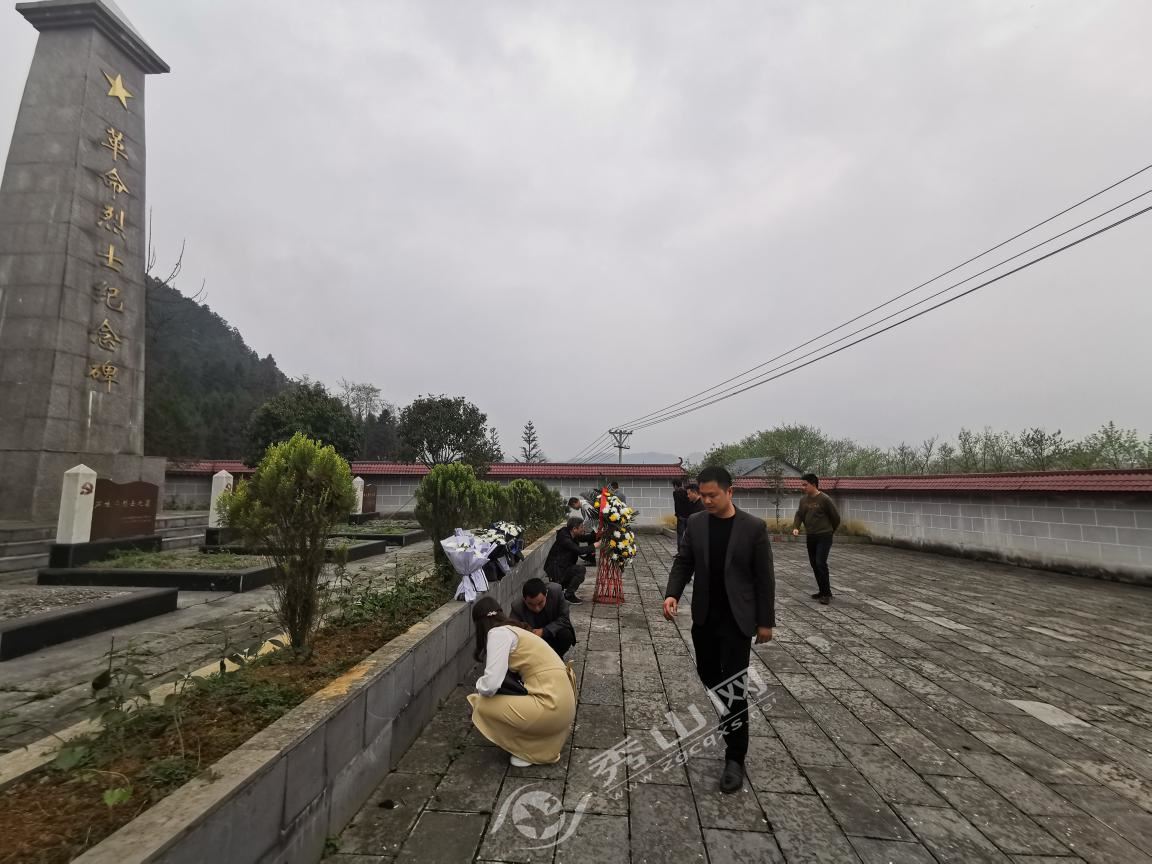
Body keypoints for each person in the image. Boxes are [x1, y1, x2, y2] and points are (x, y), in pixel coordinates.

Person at [663, 465, 775, 794]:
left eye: (713, 495)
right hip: (705, 617)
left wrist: (765, 621)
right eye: (704, 495)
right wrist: (672, 593)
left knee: (734, 686)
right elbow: (684, 561)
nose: (707, 501)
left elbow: (764, 577)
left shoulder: (753, 528)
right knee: (709, 674)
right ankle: (732, 717)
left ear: (730, 492)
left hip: (738, 620)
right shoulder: (697, 523)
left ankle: (735, 757)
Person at [467, 596, 577, 766]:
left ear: (479, 624)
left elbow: (491, 684)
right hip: (565, 705)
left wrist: (478, 687)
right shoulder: (516, 630)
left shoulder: (498, 633)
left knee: (480, 703)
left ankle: (527, 750)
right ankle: (538, 744)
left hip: (551, 707)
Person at [792, 472, 841, 604]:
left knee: (820, 562)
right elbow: (799, 514)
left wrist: (830, 531)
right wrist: (796, 527)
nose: (803, 487)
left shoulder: (825, 499)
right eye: (802, 485)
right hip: (811, 536)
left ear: (813, 484)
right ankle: (822, 591)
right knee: (814, 564)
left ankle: (827, 594)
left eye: (805, 485)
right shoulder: (803, 500)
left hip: (824, 536)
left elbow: (836, 517)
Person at [510, 577, 576, 658]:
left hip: (553, 634)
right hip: (532, 641)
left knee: (566, 635)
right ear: (524, 600)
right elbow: (511, 631)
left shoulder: (556, 592)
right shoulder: (517, 607)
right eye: (531, 604)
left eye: (540, 603)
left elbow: (564, 619)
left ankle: (556, 657)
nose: (536, 608)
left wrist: (544, 631)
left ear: (546, 594)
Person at [543, 517, 595, 603]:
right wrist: (594, 546)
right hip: (557, 571)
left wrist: (597, 535)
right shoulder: (565, 539)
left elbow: (585, 538)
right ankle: (568, 595)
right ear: (574, 529)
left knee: (579, 572)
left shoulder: (572, 534)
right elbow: (579, 550)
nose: (583, 529)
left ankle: (564, 591)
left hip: (564, 567)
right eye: (581, 527)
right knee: (580, 570)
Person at [672, 479, 692, 546]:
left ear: (675, 485)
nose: (674, 488)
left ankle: (680, 550)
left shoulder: (675, 493)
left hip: (681, 516)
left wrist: (677, 515)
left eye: (673, 486)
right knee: (688, 534)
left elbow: (677, 505)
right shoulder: (687, 492)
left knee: (680, 534)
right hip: (689, 516)